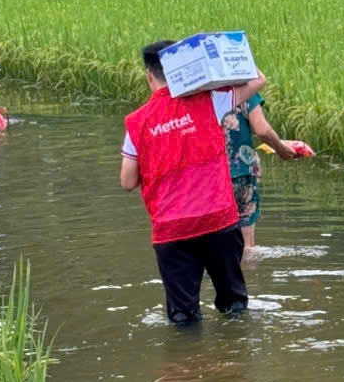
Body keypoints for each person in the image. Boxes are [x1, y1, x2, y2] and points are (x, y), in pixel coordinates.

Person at [120, 39, 265, 324]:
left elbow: (127, 181)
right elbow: (259, 78)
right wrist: (219, 50)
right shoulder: (212, 101)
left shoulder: (137, 122)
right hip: (219, 222)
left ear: (149, 75)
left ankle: (188, 363)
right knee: (234, 306)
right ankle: (236, 362)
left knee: (183, 317)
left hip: (172, 230)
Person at [222, 93, 302, 249]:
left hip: (208, 175)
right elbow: (262, 130)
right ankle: (249, 272)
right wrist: (281, 149)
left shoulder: (197, 89)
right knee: (246, 245)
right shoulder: (244, 87)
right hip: (242, 174)